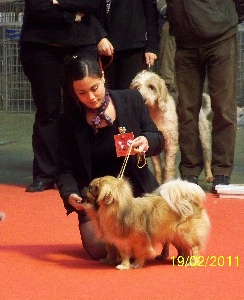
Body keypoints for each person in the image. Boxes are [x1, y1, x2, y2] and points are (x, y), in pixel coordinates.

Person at [56, 55, 165, 259]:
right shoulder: (68, 121)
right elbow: (64, 170)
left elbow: (158, 138)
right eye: (82, 93)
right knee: (100, 250)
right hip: (98, 201)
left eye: (95, 88)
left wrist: (146, 142)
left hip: (137, 195)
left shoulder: (131, 100)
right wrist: (70, 194)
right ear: (73, 92)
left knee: (137, 242)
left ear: (103, 77)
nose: (91, 97)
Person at [20, 0, 108, 192]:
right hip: (41, 45)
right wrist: (72, 15)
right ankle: (45, 174)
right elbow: (37, 7)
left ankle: (88, 170)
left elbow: (93, 4)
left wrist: (59, 2)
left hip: (80, 42)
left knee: (86, 106)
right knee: (47, 111)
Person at [166, 0, 244, 193]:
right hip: (184, 42)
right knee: (186, 110)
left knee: (223, 107)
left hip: (220, 38)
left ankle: (222, 170)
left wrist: (225, 19)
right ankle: (189, 170)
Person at [97, 0, 159, 89]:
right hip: (105, 47)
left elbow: (151, 13)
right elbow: (92, 10)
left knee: (130, 95)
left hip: (134, 47)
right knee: (107, 96)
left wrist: (151, 47)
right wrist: (99, 36)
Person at [156, 0, 177, 94]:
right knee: (169, 30)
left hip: (198, 18)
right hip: (169, 18)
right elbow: (160, 3)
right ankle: (167, 81)